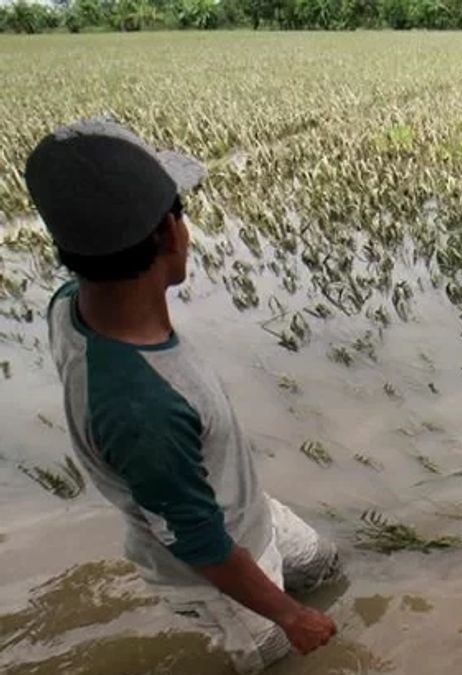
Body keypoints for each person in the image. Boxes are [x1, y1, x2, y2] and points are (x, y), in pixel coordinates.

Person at [24, 118, 341, 674]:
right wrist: (291, 617)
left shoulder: (71, 303)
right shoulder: (144, 405)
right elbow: (202, 546)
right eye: (182, 214)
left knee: (326, 569)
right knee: (277, 658)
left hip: (244, 509)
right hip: (219, 562)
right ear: (170, 234)